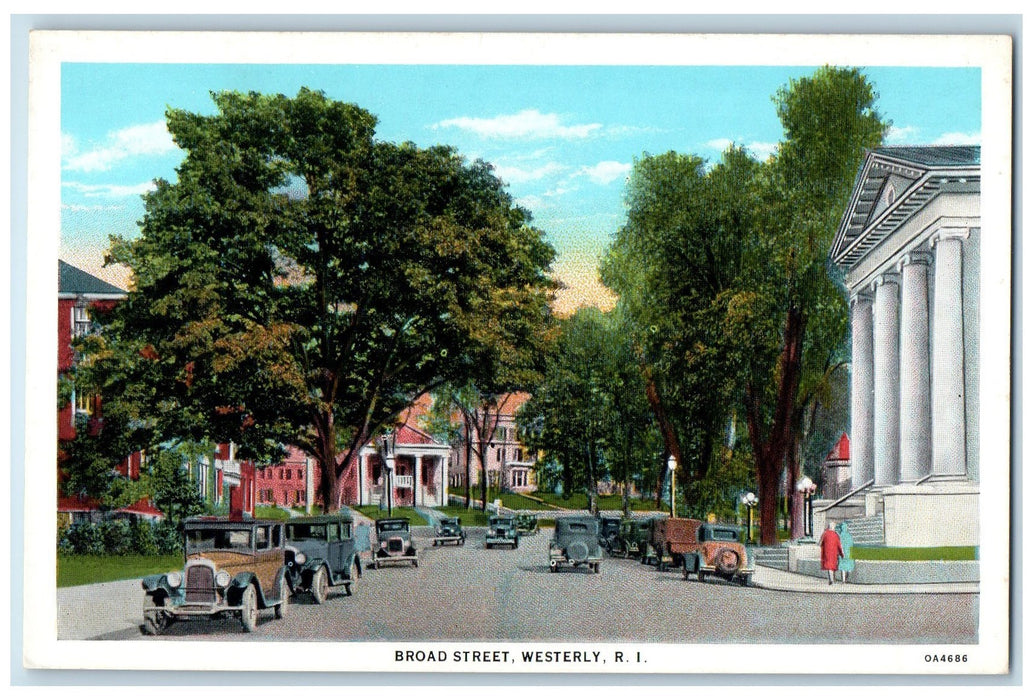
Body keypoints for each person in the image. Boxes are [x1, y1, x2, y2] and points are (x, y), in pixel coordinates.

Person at [818, 521, 844, 585]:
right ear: (833, 527)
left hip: (827, 552)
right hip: (834, 552)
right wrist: (842, 553)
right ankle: (832, 579)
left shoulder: (825, 533)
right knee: (833, 565)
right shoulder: (836, 535)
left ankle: (831, 580)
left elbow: (820, 543)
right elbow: (839, 545)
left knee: (829, 565)